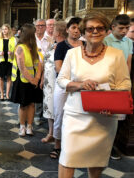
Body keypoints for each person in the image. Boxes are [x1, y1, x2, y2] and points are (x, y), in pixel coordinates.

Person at [57, 12, 131, 178]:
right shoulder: (72, 54)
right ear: (83, 32)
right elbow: (61, 80)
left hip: (104, 118)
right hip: (75, 115)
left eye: (100, 28)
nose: (95, 32)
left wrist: (112, 107)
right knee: (67, 158)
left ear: (106, 31)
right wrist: (80, 84)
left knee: (96, 162)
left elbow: (125, 85)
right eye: (90, 29)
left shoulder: (116, 55)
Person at [51, 17, 83, 159]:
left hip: (82, 86)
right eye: (74, 27)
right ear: (67, 29)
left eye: (79, 28)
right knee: (60, 115)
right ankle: (57, 145)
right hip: (64, 85)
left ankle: (74, 146)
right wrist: (75, 78)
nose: (76, 31)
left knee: (79, 116)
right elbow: (58, 67)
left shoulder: (86, 45)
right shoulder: (62, 46)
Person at [103, 14, 132, 160]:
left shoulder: (128, 42)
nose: (124, 31)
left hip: (122, 83)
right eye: (121, 28)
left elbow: (128, 63)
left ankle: (112, 145)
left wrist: (127, 83)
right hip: (108, 82)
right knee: (106, 116)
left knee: (119, 117)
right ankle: (104, 146)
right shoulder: (105, 41)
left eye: (127, 28)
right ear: (113, 27)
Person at [11, 24, 43, 136]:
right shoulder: (20, 48)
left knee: (32, 104)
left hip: (34, 79)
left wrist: (37, 78)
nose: (35, 35)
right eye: (33, 33)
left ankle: (30, 126)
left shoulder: (34, 47)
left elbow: (39, 64)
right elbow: (22, 68)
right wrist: (32, 80)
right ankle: (22, 126)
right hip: (23, 80)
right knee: (23, 105)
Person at [41, 21, 67, 144]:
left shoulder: (64, 46)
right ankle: (51, 133)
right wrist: (42, 79)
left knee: (58, 109)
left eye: (53, 28)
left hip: (57, 81)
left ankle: (59, 136)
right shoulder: (53, 44)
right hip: (48, 81)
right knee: (49, 108)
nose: (51, 30)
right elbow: (45, 62)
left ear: (58, 32)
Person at [0, 24, 16, 100]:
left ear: (9, 30)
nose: (4, 31)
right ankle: (2, 95)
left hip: (10, 61)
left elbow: (17, 50)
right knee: (1, 78)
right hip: (1, 61)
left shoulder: (13, 39)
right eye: (3, 29)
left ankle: (7, 95)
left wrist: (12, 53)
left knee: (9, 78)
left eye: (5, 29)